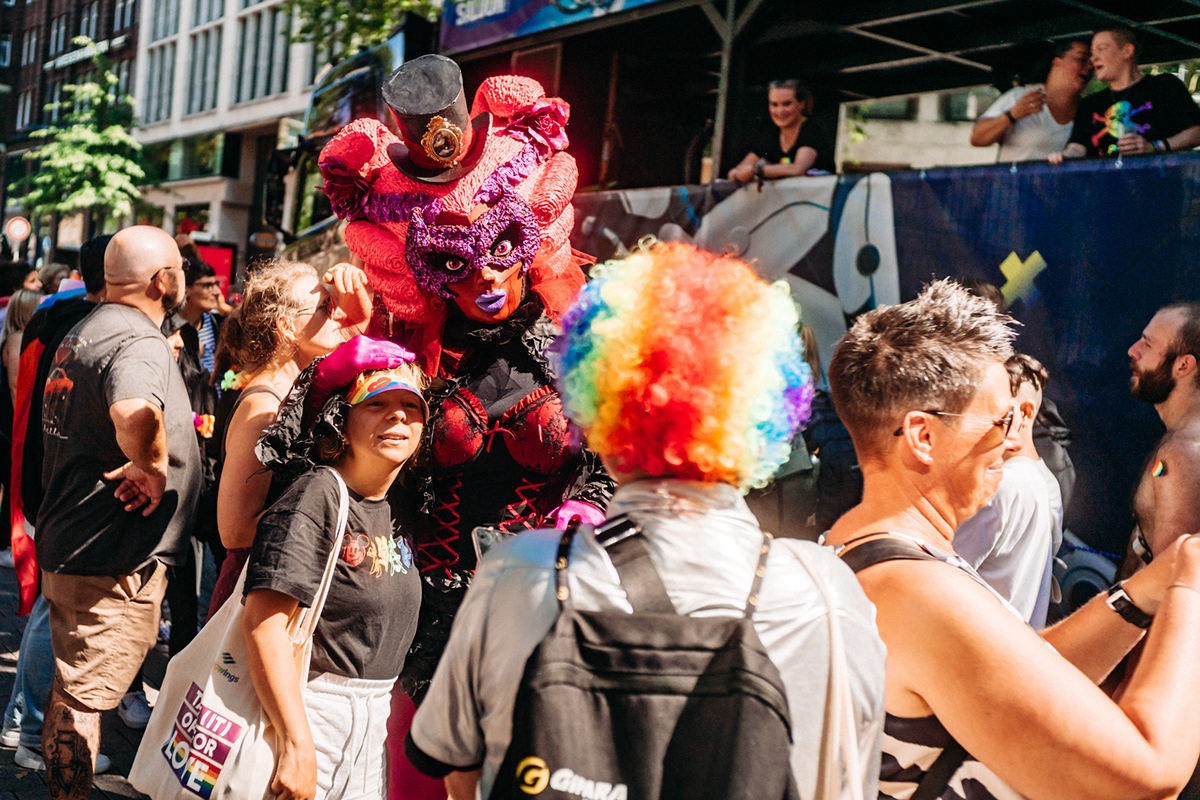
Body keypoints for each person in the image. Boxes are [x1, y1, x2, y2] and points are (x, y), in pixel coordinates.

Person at [406, 242, 885, 800]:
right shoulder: (826, 592)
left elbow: (461, 773)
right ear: (761, 403)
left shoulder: (520, 574)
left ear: (593, 401)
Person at [824, 279, 1200, 799]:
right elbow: (1148, 776)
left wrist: (1140, 595)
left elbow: (1015, 673)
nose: (1016, 441)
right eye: (1002, 420)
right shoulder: (919, 592)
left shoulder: (864, 549)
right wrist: (1189, 591)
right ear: (922, 436)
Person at [37, 226, 202, 800]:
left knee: (74, 685)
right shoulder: (137, 339)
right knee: (85, 698)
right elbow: (134, 412)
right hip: (109, 556)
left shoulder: (89, 328)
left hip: (82, 542)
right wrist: (153, 465)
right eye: (179, 267)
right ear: (163, 280)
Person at [244, 335, 426, 800]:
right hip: (311, 715)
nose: (398, 415)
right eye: (377, 402)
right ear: (342, 422)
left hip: (372, 727)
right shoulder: (316, 495)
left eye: (411, 404)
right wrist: (296, 743)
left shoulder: (401, 506)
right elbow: (264, 627)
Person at [209, 259, 372, 617]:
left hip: (281, 585)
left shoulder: (294, 392)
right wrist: (326, 520)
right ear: (285, 325)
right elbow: (235, 532)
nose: (335, 315)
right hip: (256, 600)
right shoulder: (265, 408)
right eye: (324, 307)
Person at [953, 353, 1063, 628]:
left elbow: (935, 574)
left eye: (986, 406)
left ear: (1025, 413)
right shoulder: (1046, 481)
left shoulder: (1000, 485)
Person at [1120, 303, 1200, 573]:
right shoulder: (1182, 445)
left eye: (1148, 344)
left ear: (1183, 365)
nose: (1133, 350)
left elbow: (1171, 581)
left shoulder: (1182, 454)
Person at [1052, 27, 1200, 161]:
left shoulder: (1164, 86)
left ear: (1127, 51)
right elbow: (1078, 146)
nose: (1093, 58)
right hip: (1108, 187)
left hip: (1161, 185)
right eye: (1092, 52)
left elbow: (1196, 131)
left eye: (1101, 48)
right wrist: (1064, 157)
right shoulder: (1091, 103)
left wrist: (1154, 147)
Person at [971, 39, 1092, 161]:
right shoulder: (1020, 95)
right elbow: (977, 138)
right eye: (1082, 59)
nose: (1090, 66)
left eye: (1092, 61)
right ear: (1057, 62)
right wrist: (1011, 115)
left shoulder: (1087, 110)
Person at [728, 79, 834, 182]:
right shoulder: (771, 133)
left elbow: (798, 169)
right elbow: (740, 169)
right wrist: (737, 174)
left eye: (786, 104)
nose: (780, 111)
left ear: (801, 104)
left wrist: (756, 170)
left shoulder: (811, 130)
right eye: (774, 104)